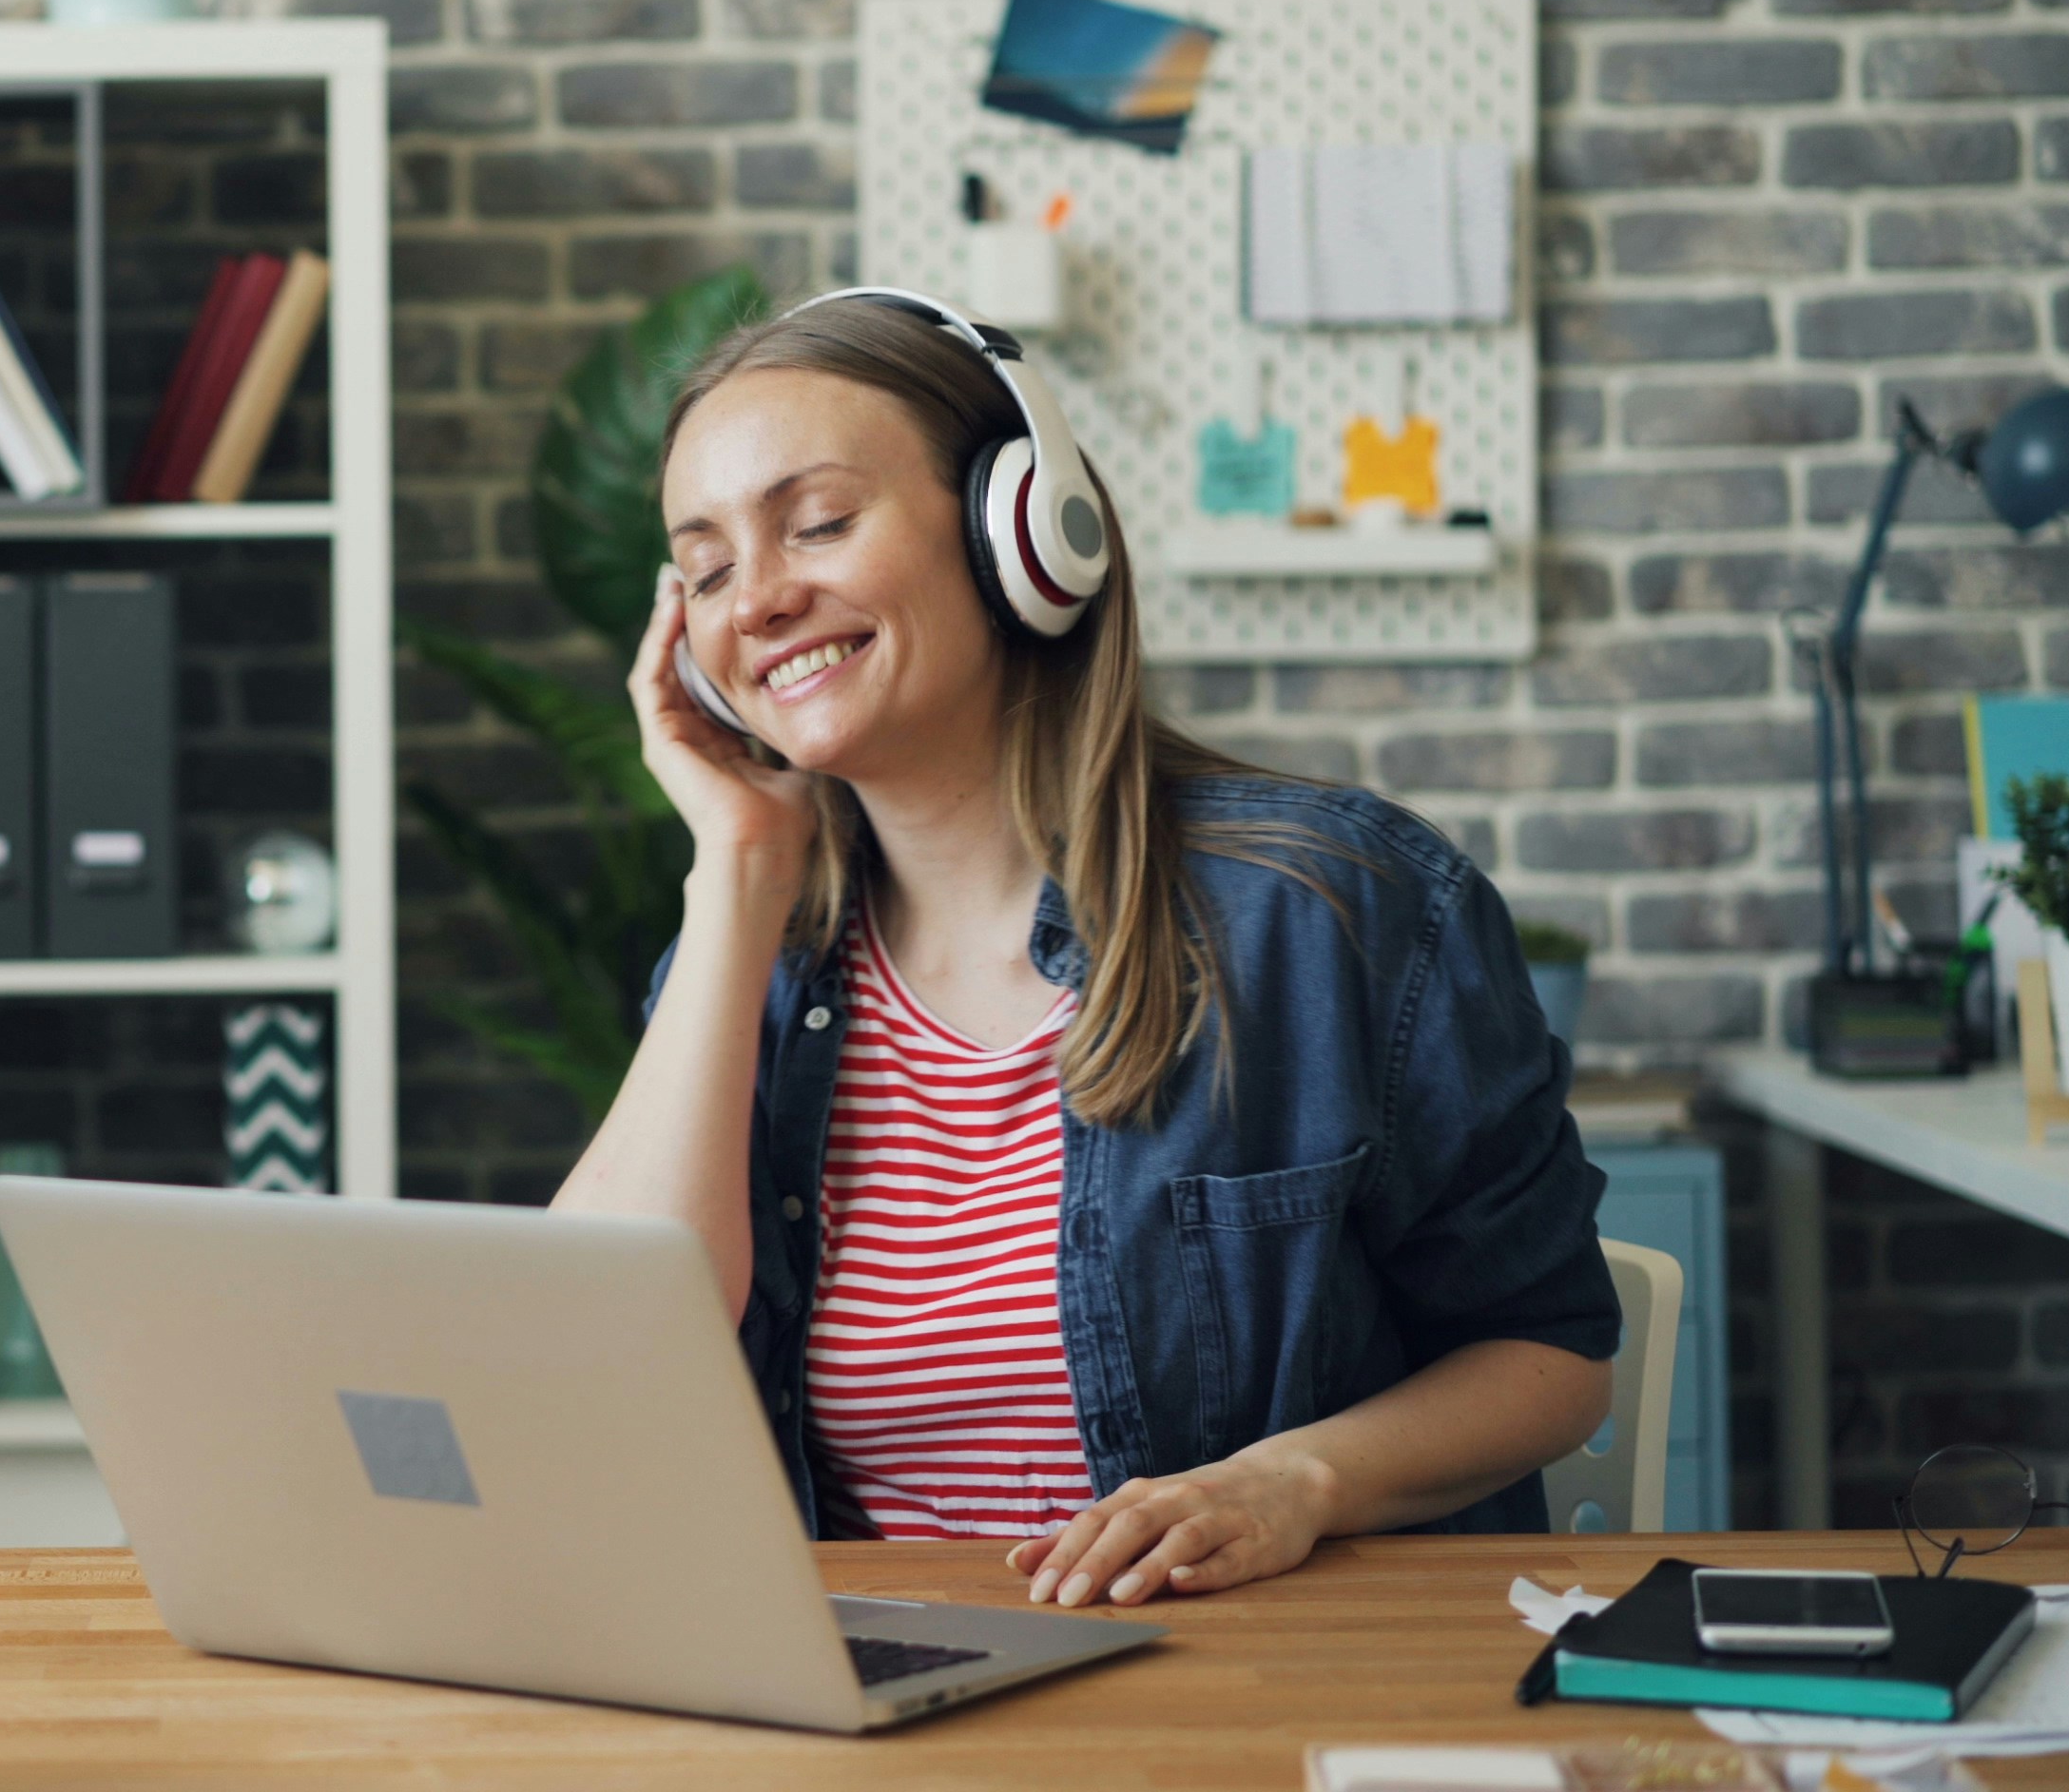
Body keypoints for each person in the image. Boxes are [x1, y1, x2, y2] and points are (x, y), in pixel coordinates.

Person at [555, 288, 1616, 1612]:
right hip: (884, 1700)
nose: (759, 597)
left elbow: (1549, 1351)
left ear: (1024, 535)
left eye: (819, 523)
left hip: (1258, 1682)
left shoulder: (1334, 911)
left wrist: (1302, 1481)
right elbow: (602, 1357)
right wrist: (741, 867)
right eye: (707, 569)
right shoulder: (747, 964)